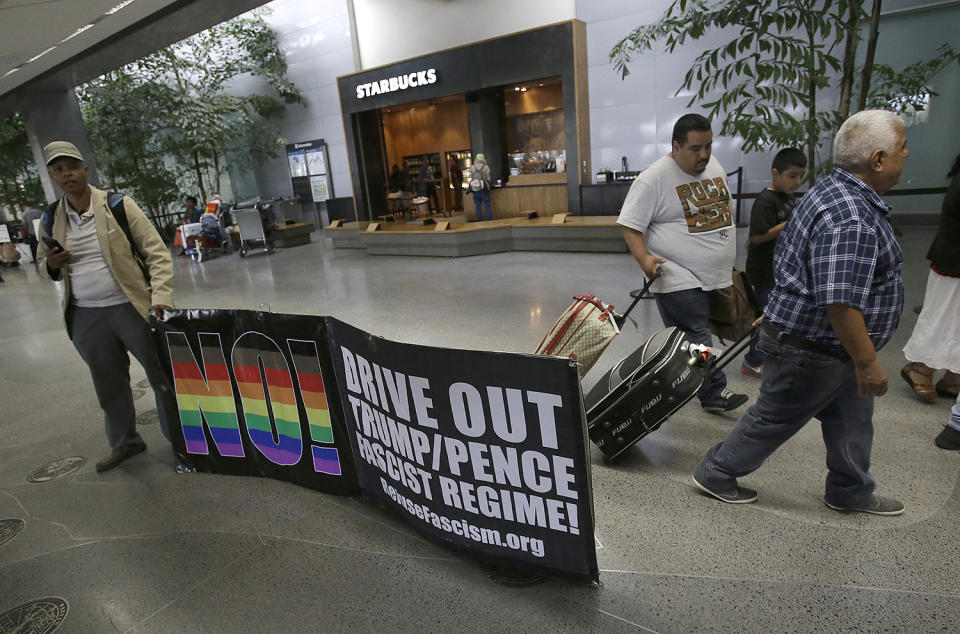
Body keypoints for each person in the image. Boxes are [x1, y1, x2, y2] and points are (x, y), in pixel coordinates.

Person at [693, 110, 909, 515]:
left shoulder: (827, 190)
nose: (907, 154)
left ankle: (850, 490)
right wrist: (868, 362)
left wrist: (777, 311)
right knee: (773, 419)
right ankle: (716, 472)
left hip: (828, 346)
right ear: (878, 159)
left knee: (852, 420)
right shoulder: (852, 218)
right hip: (815, 348)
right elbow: (840, 302)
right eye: (902, 148)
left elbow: (798, 266)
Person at [37, 141, 181, 473]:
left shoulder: (117, 205)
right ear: (52, 175)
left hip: (131, 307)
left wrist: (160, 299)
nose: (67, 174)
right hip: (86, 314)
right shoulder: (51, 217)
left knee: (163, 377)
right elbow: (42, 265)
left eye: (72, 166)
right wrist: (53, 264)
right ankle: (125, 443)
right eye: (58, 169)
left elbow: (157, 255)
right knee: (108, 384)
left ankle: (181, 443)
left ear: (84, 168)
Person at [617, 113, 748, 414]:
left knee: (695, 337)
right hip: (677, 274)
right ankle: (713, 392)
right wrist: (643, 258)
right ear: (675, 146)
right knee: (696, 335)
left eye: (708, 146)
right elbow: (630, 225)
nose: (704, 155)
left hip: (714, 274)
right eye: (695, 149)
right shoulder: (654, 178)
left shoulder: (712, 165)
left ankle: (679, 380)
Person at [899, 153, 960, 451]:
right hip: (954, 260)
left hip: (953, 258)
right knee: (943, 319)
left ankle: (952, 377)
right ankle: (920, 366)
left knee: (953, 322)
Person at [741, 148, 807, 377]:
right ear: (775, 173)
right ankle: (753, 359)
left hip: (783, 270)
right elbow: (757, 236)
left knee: (778, 316)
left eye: (800, 176)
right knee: (765, 316)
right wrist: (787, 226)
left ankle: (772, 355)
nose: (797, 181)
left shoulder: (790, 197)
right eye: (791, 176)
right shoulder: (766, 200)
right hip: (764, 270)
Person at [469, 152, 493, 221]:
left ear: (476, 159)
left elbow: (472, 177)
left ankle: (480, 220)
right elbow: (488, 179)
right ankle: (490, 220)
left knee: (478, 206)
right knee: (487, 204)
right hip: (484, 188)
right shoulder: (486, 167)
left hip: (475, 188)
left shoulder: (472, 167)